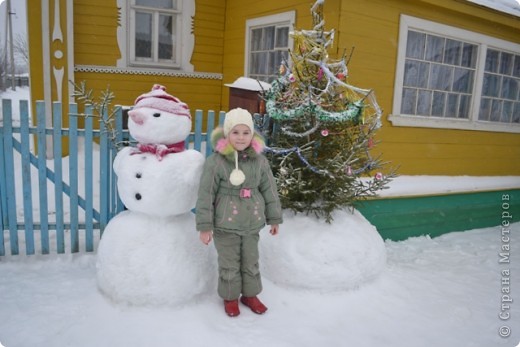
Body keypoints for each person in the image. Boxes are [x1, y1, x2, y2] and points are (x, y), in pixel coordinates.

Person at [196, 108, 283, 317]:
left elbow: (270, 190)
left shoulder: (260, 162)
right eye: (236, 132)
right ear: (227, 134)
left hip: (252, 222)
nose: (241, 137)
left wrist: (274, 218)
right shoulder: (215, 162)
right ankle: (230, 297)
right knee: (229, 263)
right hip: (226, 224)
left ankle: (250, 295)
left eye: (246, 132)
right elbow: (206, 195)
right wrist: (205, 226)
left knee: (251, 260)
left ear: (252, 134)